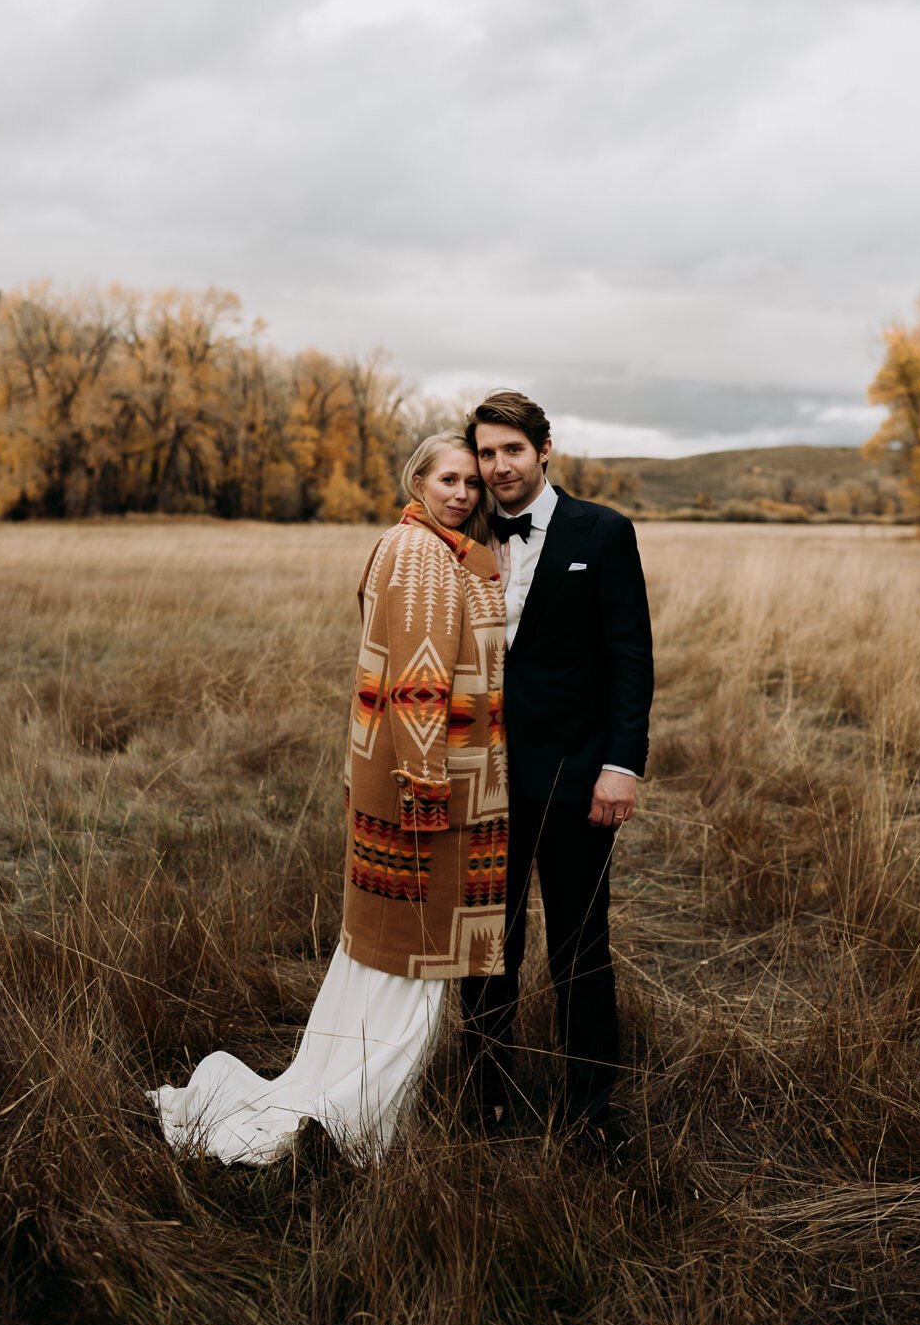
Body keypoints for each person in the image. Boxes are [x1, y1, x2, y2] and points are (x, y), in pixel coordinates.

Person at [149, 434, 508, 1165]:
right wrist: (425, 782)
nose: (463, 493)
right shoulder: (419, 556)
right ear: (417, 480)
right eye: (448, 478)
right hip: (426, 791)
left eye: (472, 482)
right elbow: (417, 678)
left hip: (418, 781)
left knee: (390, 955)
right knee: (416, 959)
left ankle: (351, 1100)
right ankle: (353, 1127)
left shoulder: (429, 550)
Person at [459, 390, 653, 1145]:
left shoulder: (600, 532)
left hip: (576, 776)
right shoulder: (461, 533)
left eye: (512, 450)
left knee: (579, 945)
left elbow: (628, 657)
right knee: (486, 946)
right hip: (482, 779)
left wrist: (619, 765)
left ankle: (588, 1112)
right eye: (485, 452)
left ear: (544, 450)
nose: (498, 465)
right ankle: (487, 1098)